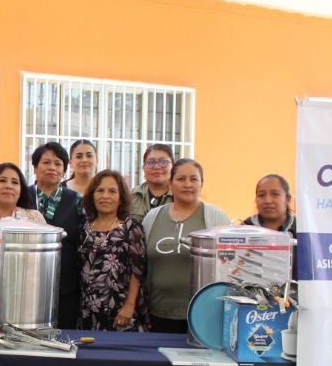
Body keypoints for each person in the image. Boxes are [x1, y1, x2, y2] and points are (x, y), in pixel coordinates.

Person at [142, 158, 229, 333]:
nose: (187, 184)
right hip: (158, 313)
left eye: (194, 179)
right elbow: (142, 264)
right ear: (171, 183)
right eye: (181, 179)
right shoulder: (152, 217)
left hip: (204, 314)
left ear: (201, 184)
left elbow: (228, 264)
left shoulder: (216, 218)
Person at [79, 169, 148, 331]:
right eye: (100, 191)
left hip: (120, 310)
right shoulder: (84, 227)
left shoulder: (131, 228)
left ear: (121, 198)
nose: (105, 196)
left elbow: (138, 271)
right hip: (88, 308)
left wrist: (129, 306)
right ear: (92, 195)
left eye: (112, 191)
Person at [29, 142, 85, 328]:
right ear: (35, 167)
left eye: (58, 163)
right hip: (26, 280)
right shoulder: (22, 196)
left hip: (65, 284)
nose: (52, 167)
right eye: (46, 162)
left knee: (64, 334)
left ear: (64, 170)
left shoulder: (76, 200)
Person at [129, 144, 174, 221]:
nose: (156, 167)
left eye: (163, 162)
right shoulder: (130, 196)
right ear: (143, 168)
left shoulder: (180, 197)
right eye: (150, 162)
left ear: (173, 166)